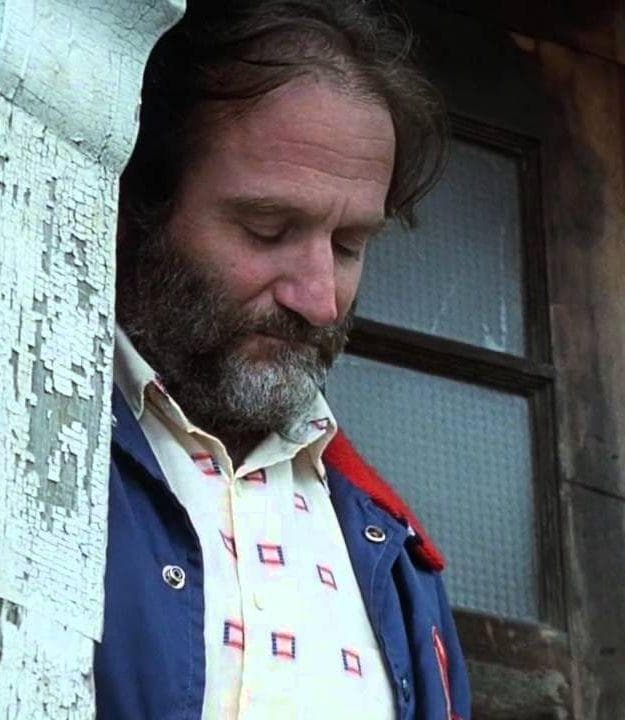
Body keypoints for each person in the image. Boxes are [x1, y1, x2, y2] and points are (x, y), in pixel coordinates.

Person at [95, 1, 471, 718]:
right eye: (268, 229)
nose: (320, 301)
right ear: (138, 203)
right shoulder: (33, 445)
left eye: (350, 246)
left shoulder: (401, 563)